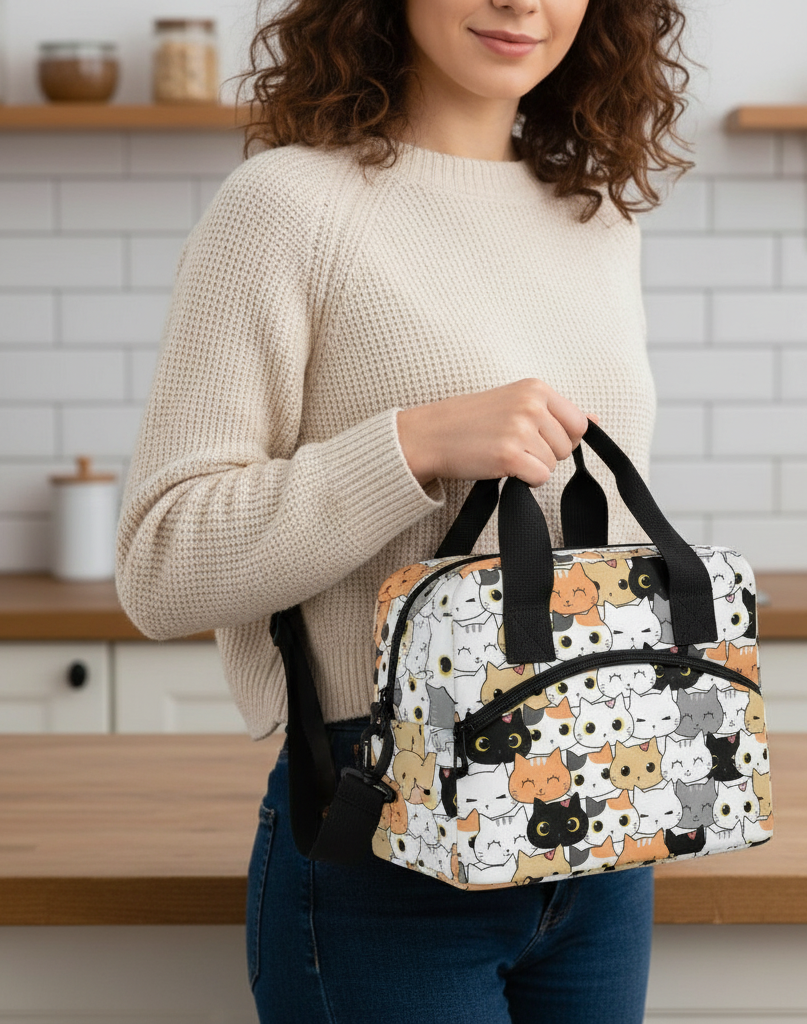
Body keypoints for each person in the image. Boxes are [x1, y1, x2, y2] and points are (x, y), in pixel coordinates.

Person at [115, 0, 692, 1020]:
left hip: (602, 822)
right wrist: (413, 445)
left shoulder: (597, 217)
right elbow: (163, 565)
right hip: (382, 842)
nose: (524, 2)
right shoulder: (285, 207)